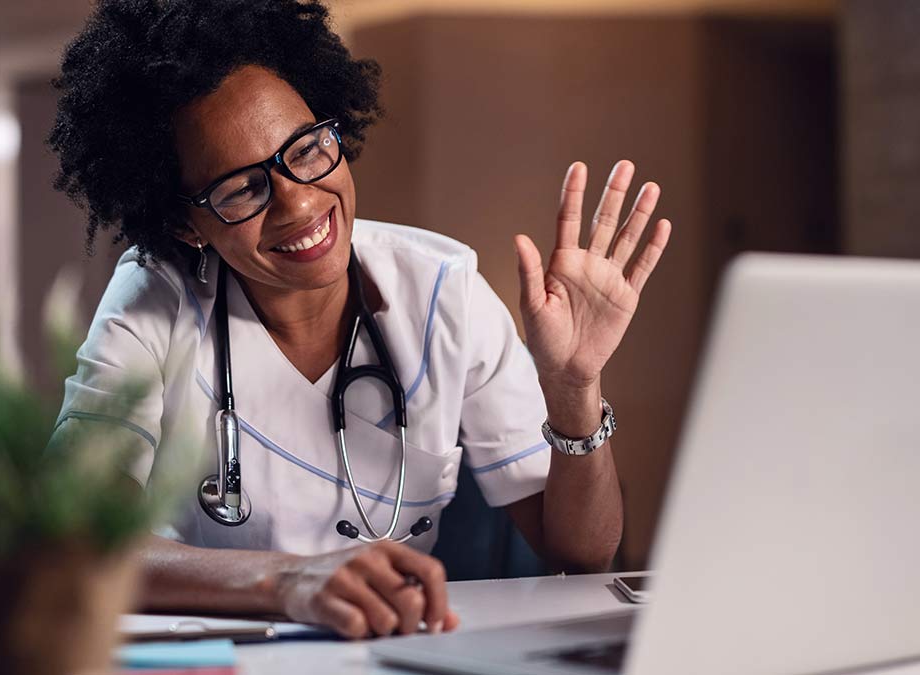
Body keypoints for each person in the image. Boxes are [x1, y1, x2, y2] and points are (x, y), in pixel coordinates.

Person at [48, 0, 671, 639]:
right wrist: (290, 582)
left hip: (391, 654)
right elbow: (72, 548)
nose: (298, 202)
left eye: (307, 149)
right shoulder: (153, 299)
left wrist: (574, 389)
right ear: (186, 224)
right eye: (241, 189)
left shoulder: (442, 293)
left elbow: (583, 554)